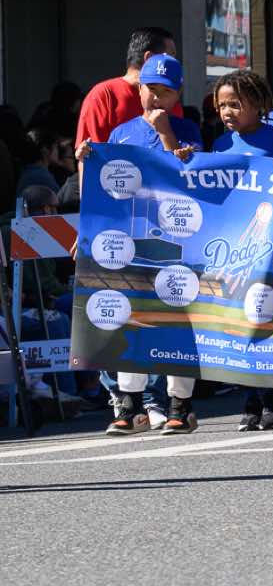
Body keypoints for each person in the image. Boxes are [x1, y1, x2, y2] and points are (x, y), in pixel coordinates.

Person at [95, 55, 201, 436]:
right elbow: (109, 188)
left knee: (177, 323)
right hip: (132, 242)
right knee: (131, 319)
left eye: (165, 91)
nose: (156, 98)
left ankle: (179, 405)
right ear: (138, 89)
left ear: (178, 94)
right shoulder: (121, 134)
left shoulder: (188, 129)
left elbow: (191, 178)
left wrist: (166, 135)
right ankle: (129, 404)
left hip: (179, 241)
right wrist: (88, 160)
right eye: (150, 89)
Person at [208, 70, 273, 431]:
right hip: (234, 249)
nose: (227, 112)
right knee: (236, 324)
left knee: (264, 320)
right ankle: (250, 400)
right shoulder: (219, 145)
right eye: (221, 106)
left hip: (272, 248)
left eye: (235, 104)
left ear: (258, 104)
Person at [77, 28, 180, 151]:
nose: (176, 62)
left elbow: (183, 158)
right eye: (171, 56)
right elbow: (90, 156)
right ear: (149, 58)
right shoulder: (103, 95)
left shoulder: (171, 99)